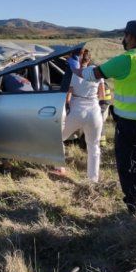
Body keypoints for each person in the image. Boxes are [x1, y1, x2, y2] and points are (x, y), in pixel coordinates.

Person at [73, 20, 136, 213]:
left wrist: (74, 67)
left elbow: (92, 74)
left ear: (129, 36)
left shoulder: (127, 59)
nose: (123, 39)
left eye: (125, 35)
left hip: (131, 126)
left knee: (131, 168)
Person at [58, 49, 105, 182]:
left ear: (78, 59)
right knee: (94, 146)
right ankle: (93, 179)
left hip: (76, 111)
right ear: (89, 59)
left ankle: (59, 167)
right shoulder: (96, 72)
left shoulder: (74, 73)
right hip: (94, 112)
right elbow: (102, 95)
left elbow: (68, 97)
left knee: (58, 138)